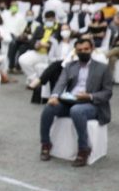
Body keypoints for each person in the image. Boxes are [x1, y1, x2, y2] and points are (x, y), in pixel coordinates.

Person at [39, 39, 113, 167]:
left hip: (93, 104)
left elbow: (107, 92)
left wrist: (89, 96)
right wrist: (55, 96)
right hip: (70, 101)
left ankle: (83, 149)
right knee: (49, 108)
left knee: (77, 110)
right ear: (75, 51)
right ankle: (46, 143)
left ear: (92, 49)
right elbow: (60, 83)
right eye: (79, 50)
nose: (83, 52)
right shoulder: (70, 66)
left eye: (86, 49)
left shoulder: (103, 68)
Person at [18, 10, 59, 86]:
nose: (49, 21)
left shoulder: (58, 29)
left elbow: (59, 42)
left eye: (51, 20)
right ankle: (34, 78)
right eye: (47, 20)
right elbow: (32, 41)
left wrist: (49, 45)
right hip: (38, 51)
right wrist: (35, 45)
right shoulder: (40, 28)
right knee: (22, 59)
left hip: (50, 54)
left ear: (54, 19)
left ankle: (37, 81)